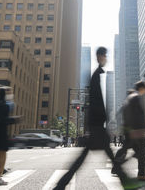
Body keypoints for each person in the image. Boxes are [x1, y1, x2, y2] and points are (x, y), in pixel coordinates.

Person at [54, 47, 138, 190]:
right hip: (97, 125)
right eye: (104, 55)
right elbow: (95, 102)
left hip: (96, 124)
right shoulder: (95, 76)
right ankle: (126, 182)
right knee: (94, 158)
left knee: (86, 158)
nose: (106, 58)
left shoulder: (97, 75)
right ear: (99, 56)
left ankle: (61, 185)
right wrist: (100, 119)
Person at [112, 81, 145, 181]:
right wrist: (142, 129)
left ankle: (116, 167)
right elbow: (139, 115)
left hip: (129, 128)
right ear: (142, 88)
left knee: (133, 150)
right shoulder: (136, 97)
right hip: (137, 129)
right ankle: (141, 174)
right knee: (142, 150)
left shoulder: (129, 98)